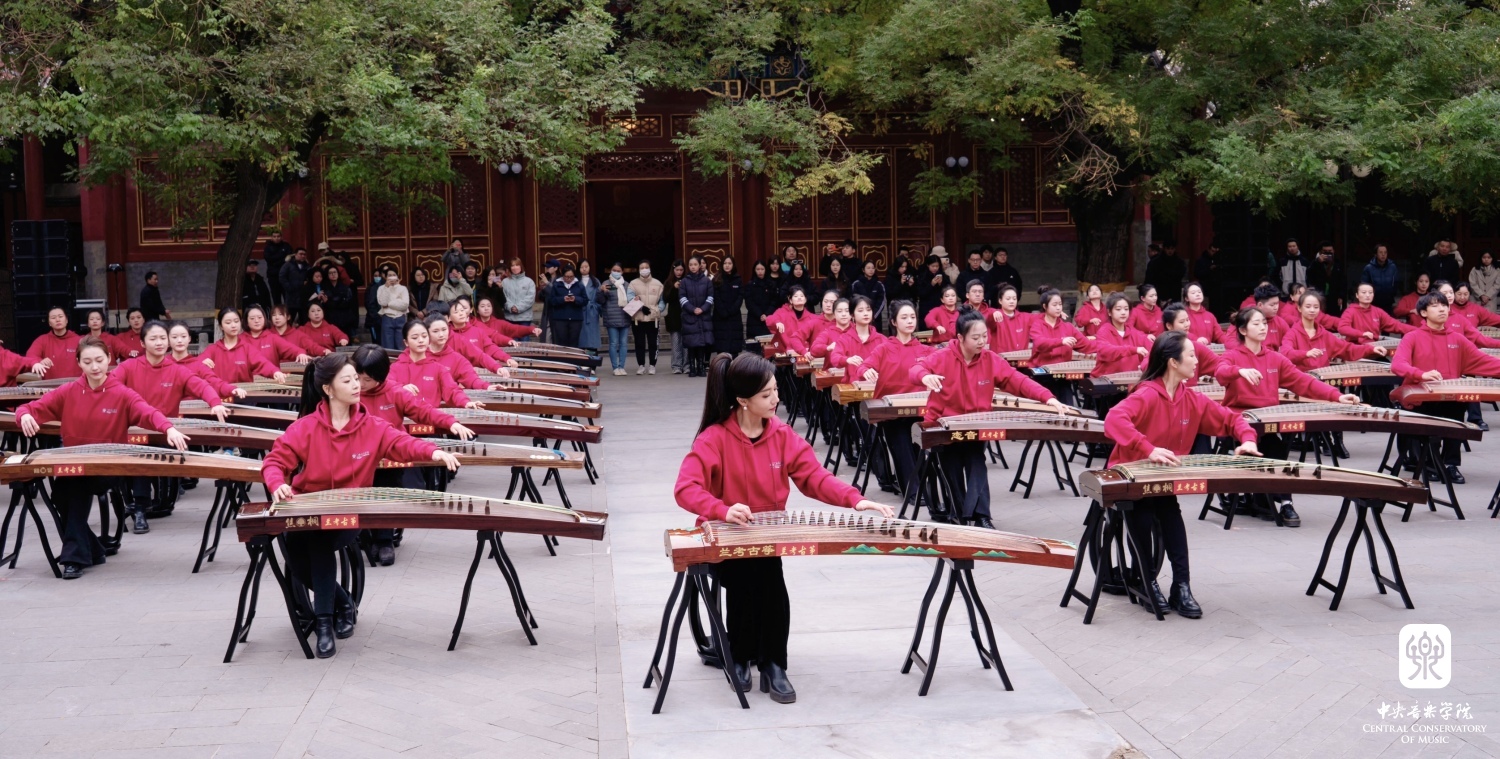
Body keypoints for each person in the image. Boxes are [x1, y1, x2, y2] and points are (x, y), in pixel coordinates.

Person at [674, 352, 893, 703]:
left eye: (776, 390)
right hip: (725, 538)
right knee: (748, 577)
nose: (776, 398)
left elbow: (814, 476)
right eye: (766, 394)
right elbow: (685, 488)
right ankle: (743, 656)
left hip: (767, 536)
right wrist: (722, 509)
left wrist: (855, 500)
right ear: (742, 400)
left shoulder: (781, 434)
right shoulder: (714, 438)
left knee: (769, 578)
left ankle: (773, 663)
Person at [264, 353, 460, 656]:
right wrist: (278, 483)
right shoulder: (306, 427)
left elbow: (402, 443)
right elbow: (275, 461)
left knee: (318, 542)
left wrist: (433, 452)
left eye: (356, 378)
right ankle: (344, 603)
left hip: (349, 513)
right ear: (328, 389)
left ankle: (324, 623)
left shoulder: (372, 426)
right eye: (348, 380)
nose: (357, 385)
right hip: (308, 508)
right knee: (296, 555)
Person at [1102, 330, 1261, 618]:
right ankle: (1146, 580)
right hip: (1131, 477)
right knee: (1142, 515)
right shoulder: (1147, 393)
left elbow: (1230, 418)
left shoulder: (1191, 398)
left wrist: (1247, 439)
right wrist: (1147, 448)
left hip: (1162, 478)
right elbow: (1115, 418)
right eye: (1191, 355)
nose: (1196, 361)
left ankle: (1181, 585)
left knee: (1172, 518)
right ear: (1173, 362)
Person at [15, 336, 189, 579]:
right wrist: (24, 415)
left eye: (99, 360)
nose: (95, 367)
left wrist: (168, 429)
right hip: (74, 464)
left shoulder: (122, 393)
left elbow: (148, 413)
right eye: (87, 362)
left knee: (73, 490)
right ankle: (93, 549)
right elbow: (30, 408)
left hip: (108, 467)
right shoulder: (68, 391)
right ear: (79, 363)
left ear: (109, 359)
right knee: (60, 495)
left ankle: (73, 558)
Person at [910, 311, 1067, 528]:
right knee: (952, 468)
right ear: (960, 337)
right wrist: (925, 376)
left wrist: (1047, 398)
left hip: (975, 425)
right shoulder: (943, 356)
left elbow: (1017, 380)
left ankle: (982, 516)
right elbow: (916, 369)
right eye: (975, 337)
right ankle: (960, 516)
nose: (982, 341)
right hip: (943, 425)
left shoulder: (990, 359)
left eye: (984, 336)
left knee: (977, 464)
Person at [1216, 307, 1356, 527]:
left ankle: (1284, 502)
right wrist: (1239, 371)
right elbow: (1220, 373)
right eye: (1256, 324)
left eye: (1264, 323)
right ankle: (1260, 498)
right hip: (1240, 422)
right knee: (1264, 449)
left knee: (1278, 449)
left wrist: (1336, 396)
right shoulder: (1232, 356)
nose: (1263, 327)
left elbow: (1303, 381)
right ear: (1243, 330)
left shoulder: (1274, 358)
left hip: (1266, 421)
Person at [352, 344, 474, 565]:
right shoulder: (349, 393)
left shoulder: (395, 392)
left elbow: (423, 410)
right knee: (361, 495)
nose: (360, 384)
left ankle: (385, 540)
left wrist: (450, 422)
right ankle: (366, 535)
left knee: (388, 493)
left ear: (381, 377)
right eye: (356, 377)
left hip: (391, 454)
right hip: (358, 456)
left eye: (367, 379)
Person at [114, 322, 230, 531]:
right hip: (135, 431)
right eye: (153, 339)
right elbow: (110, 385)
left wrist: (215, 403)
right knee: (139, 455)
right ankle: (139, 508)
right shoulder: (129, 367)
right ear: (142, 343)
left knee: (153, 456)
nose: (159, 343)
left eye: (162, 338)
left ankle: (154, 502)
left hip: (167, 431)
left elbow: (201, 385)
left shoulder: (176, 370)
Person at [1392, 292, 1500, 484]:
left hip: (1449, 397)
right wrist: (1420, 374)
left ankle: (1450, 464)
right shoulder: (1412, 337)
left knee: (1457, 411)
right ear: (1423, 312)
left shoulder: (1457, 339)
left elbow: (1485, 361)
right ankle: (1427, 462)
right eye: (1435, 306)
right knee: (1424, 423)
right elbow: (1398, 365)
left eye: (1444, 305)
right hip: (1421, 399)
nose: (1442, 309)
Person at [853, 301, 934, 496]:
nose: (909, 321)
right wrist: (866, 371)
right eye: (904, 318)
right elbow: (863, 366)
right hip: (891, 412)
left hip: (918, 409)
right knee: (901, 444)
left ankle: (924, 490)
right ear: (894, 322)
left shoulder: (925, 350)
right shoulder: (884, 348)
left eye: (912, 317)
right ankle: (913, 492)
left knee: (920, 445)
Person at [390, 320, 475, 409]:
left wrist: (466, 402)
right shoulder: (395, 368)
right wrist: (401, 389)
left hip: (429, 416)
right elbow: (387, 388)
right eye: (415, 338)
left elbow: (452, 390)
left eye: (424, 336)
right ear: (406, 342)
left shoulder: (438, 369)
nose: (421, 340)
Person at [1029, 289, 1093, 406]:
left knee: (1068, 409)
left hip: (1063, 376)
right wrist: (1061, 341)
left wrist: (1106, 345)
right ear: (1045, 306)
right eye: (1054, 305)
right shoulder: (1037, 325)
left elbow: (1087, 345)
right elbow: (1040, 343)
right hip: (1042, 377)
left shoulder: (1068, 327)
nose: (1058, 308)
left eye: (1060, 304)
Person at [201, 308, 290, 385]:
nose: (233, 325)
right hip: (220, 396)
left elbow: (262, 363)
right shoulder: (213, 349)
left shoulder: (247, 348)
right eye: (228, 322)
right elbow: (197, 363)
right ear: (221, 326)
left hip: (243, 395)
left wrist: (275, 372)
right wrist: (202, 362)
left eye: (236, 321)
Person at [1339, 282, 1413, 345]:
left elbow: (1395, 325)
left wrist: (1417, 330)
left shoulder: (1377, 311)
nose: (1367, 295)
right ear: (1357, 295)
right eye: (1364, 292)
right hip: (1355, 348)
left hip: (1373, 347)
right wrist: (1362, 334)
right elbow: (1342, 328)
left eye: (1370, 292)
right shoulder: (1350, 311)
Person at [678, 256, 716, 376]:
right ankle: (692, 367)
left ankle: (701, 366)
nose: (693, 267)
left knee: (701, 343)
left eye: (695, 264)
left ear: (700, 265)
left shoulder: (707, 281)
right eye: (690, 265)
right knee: (691, 343)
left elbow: (710, 297)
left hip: (703, 316)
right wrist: (692, 309)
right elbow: (682, 298)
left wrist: (703, 309)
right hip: (690, 316)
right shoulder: (684, 282)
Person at [1226, 284, 1292, 350]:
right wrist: (1250, 351)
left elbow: (1290, 341)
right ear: (1260, 305)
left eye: (1277, 304)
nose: (1276, 308)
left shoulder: (1280, 322)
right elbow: (1229, 342)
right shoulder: (1244, 317)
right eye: (1272, 305)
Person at [244, 305, 314, 366]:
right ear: (246, 321)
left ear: (264, 319)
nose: (256, 321)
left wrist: (300, 353)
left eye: (259, 317)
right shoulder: (241, 339)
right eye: (252, 318)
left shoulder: (272, 337)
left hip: (271, 376)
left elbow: (291, 349)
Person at [25, 306, 83, 379]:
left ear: (66, 320)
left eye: (60, 316)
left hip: (75, 384)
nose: (57, 320)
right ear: (49, 323)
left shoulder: (79, 340)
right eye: (53, 318)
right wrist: (39, 361)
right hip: (50, 384)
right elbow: (30, 356)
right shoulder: (42, 340)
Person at [629, 261, 665, 374]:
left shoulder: (658, 284)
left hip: (653, 318)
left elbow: (662, 301)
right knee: (639, 343)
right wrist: (640, 307)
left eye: (646, 267)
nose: (644, 269)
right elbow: (629, 298)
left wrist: (658, 310)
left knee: (653, 343)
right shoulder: (633, 284)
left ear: (650, 268)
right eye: (642, 267)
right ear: (639, 270)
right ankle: (641, 365)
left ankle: (652, 365)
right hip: (638, 318)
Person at [598, 262, 634, 375]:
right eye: (614, 270)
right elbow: (600, 301)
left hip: (624, 317)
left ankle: (621, 366)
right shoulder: (606, 283)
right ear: (611, 271)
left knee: (623, 343)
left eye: (618, 271)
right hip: (611, 318)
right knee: (613, 343)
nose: (616, 272)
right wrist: (602, 291)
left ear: (622, 272)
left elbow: (631, 299)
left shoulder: (627, 285)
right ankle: (615, 367)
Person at [766, 286, 817, 357]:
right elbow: (769, 319)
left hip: (805, 353)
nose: (799, 298)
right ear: (790, 300)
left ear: (805, 299)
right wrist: (777, 322)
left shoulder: (812, 318)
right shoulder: (782, 312)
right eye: (796, 296)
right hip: (784, 353)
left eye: (802, 296)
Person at [546, 262, 587, 349]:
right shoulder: (557, 285)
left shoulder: (579, 285)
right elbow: (551, 300)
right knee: (561, 343)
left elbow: (585, 300)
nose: (569, 279)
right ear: (563, 275)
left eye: (571, 277)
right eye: (566, 277)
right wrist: (562, 299)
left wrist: (575, 299)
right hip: (560, 318)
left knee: (574, 343)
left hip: (576, 319)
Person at [712, 257, 745, 355]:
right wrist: (723, 311)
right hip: (720, 316)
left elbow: (740, 296)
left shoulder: (738, 279)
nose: (727, 265)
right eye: (725, 263)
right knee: (722, 347)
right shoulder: (717, 279)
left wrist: (732, 310)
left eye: (729, 263)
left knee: (734, 346)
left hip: (734, 316)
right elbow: (715, 296)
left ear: (733, 265)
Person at [989, 284, 1032, 354]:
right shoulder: (995, 316)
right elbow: (988, 318)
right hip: (1000, 359)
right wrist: (993, 313)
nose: (1012, 301)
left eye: (1014, 299)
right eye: (1008, 299)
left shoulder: (1025, 317)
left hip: (1020, 358)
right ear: (1000, 301)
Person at [376, 268, 411, 351]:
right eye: (389, 275)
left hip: (400, 318)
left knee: (401, 346)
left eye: (394, 275)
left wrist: (389, 304)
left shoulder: (403, 288)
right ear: (385, 277)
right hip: (387, 318)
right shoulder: (381, 288)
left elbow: (405, 305)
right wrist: (387, 287)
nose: (392, 277)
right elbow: (383, 303)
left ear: (397, 276)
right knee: (387, 347)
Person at [744, 260, 778, 342]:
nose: (760, 272)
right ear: (754, 270)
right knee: (754, 344)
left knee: (768, 344)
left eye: (762, 269)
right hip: (754, 319)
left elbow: (774, 301)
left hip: (768, 318)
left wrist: (766, 314)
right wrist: (759, 314)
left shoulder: (771, 284)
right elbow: (749, 302)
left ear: (765, 270)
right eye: (758, 269)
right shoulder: (750, 285)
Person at [1360, 245, 1402, 311]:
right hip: (1373, 302)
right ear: (1375, 254)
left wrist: (1392, 294)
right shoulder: (1369, 268)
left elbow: (1396, 282)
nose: (1383, 254)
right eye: (1381, 252)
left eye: (1385, 252)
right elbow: (1364, 285)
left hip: (1388, 302)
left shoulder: (1392, 267)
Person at [664, 260, 688, 374]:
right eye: (677, 270)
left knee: (686, 343)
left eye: (681, 270)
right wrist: (674, 288)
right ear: (673, 270)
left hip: (687, 315)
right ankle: (676, 365)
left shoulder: (687, 281)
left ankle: (687, 365)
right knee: (676, 342)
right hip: (674, 316)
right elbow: (666, 298)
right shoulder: (668, 282)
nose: (679, 272)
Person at [1308, 241, 1347, 310]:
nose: (1328, 253)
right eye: (1325, 251)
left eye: (1330, 251)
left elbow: (1343, 281)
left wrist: (1341, 296)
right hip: (1319, 295)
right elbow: (1309, 276)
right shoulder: (1315, 263)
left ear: (1333, 251)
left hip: (1334, 296)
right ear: (1320, 252)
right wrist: (1317, 263)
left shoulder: (1338, 264)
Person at [322, 267, 358, 338]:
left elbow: (347, 303)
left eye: (335, 272)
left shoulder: (345, 288)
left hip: (344, 319)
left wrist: (330, 302)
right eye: (330, 273)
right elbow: (325, 305)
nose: (333, 274)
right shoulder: (324, 289)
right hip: (330, 318)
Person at [279, 247, 311, 323]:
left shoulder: (307, 267)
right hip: (291, 298)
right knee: (289, 321)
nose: (302, 256)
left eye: (304, 254)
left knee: (304, 322)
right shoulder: (288, 265)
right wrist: (289, 287)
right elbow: (282, 277)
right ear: (295, 255)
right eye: (300, 254)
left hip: (303, 298)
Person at [577, 260, 603, 354]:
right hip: (579, 311)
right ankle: (581, 358)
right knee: (580, 337)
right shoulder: (576, 281)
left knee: (592, 338)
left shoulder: (595, 281)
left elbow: (599, 296)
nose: (584, 269)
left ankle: (593, 358)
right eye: (582, 267)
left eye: (586, 266)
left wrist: (597, 308)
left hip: (592, 311)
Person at [502, 258, 537, 328]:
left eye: (517, 265)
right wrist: (511, 307)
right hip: (509, 317)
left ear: (521, 266)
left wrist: (518, 307)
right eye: (512, 265)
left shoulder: (529, 281)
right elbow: (503, 296)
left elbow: (530, 298)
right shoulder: (505, 282)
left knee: (524, 335)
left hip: (525, 317)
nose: (515, 267)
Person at [262, 231, 294, 306]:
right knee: (276, 297)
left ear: (281, 237)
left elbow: (290, 257)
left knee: (287, 297)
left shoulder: (286, 246)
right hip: (273, 276)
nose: (276, 238)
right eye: (274, 236)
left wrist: (277, 260)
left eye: (278, 236)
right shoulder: (268, 247)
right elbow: (269, 259)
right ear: (271, 237)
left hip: (286, 276)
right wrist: (283, 259)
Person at [915, 254, 950, 322]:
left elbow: (948, 290)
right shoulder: (922, 277)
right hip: (926, 307)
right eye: (933, 266)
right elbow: (920, 293)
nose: (935, 268)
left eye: (937, 266)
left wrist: (941, 284)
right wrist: (931, 284)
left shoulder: (944, 276)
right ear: (928, 265)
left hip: (939, 305)